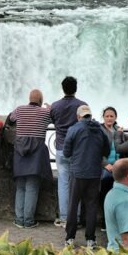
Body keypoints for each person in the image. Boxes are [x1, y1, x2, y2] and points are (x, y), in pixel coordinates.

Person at [63, 105, 110, 248]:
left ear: (79, 116)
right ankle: (90, 239)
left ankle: (70, 238)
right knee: (91, 206)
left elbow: (66, 152)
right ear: (90, 115)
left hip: (77, 173)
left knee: (73, 205)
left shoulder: (73, 129)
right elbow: (106, 150)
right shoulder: (101, 130)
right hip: (95, 174)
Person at [8, 89, 53, 228]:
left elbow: (10, 119)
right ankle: (28, 221)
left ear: (29, 98)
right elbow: (56, 118)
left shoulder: (20, 110)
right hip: (36, 152)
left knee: (20, 186)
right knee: (32, 186)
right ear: (40, 100)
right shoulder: (45, 113)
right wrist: (50, 108)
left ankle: (18, 219)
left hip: (20, 152)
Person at [51, 76, 87, 227]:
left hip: (60, 149)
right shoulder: (82, 106)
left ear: (62, 88)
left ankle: (65, 217)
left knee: (63, 183)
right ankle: (76, 218)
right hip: (77, 150)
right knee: (76, 183)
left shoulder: (55, 106)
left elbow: (52, 119)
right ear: (76, 88)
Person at [98, 107, 124, 211]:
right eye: (107, 116)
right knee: (105, 192)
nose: (109, 118)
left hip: (116, 166)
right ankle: (105, 219)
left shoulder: (118, 129)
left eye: (111, 116)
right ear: (103, 117)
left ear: (115, 117)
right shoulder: (99, 130)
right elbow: (96, 150)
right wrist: (105, 164)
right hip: (106, 167)